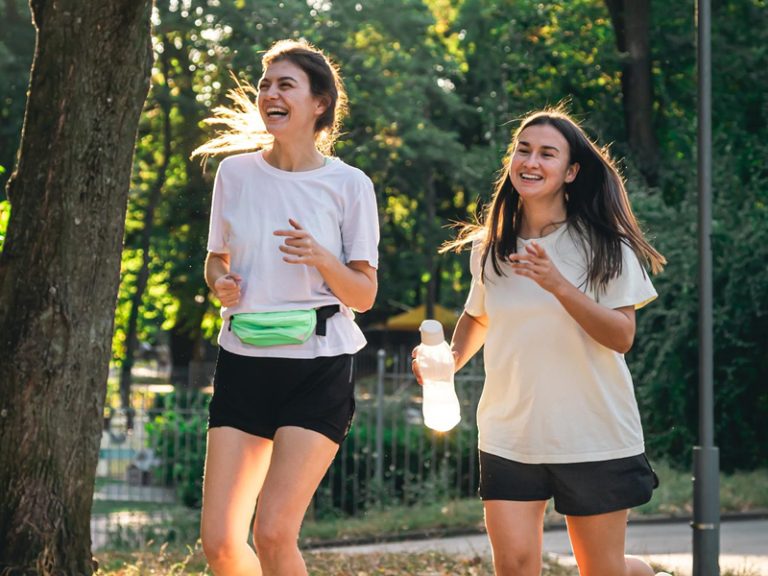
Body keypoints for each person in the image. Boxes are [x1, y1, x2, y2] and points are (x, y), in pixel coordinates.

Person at [412, 108, 668, 576]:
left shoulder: (605, 244)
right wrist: (446, 361)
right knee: (513, 566)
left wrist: (558, 285)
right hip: (509, 433)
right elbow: (479, 316)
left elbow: (622, 335)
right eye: (523, 150)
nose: (530, 161)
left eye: (547, 154)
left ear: (571, 171)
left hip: (592, 434)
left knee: (602, 571)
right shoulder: (490, 246)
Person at [193, 39, 379, 576]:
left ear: (319, 103)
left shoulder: (349, 185)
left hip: (318, 365)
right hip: (243, 359)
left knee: (273, 533)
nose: (270, 94)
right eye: (265, 85)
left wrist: (322, 258)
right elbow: (215, 260)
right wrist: (221, 282)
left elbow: (363, 295)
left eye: (285, 85)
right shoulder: (235, 175)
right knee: (219, 542)